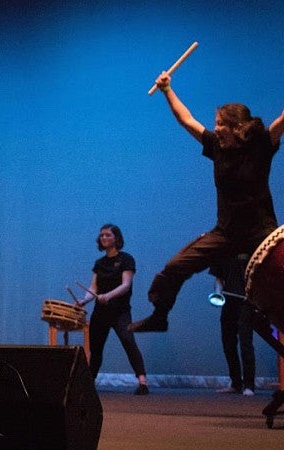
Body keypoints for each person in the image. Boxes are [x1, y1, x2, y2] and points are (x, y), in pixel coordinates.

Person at [129, 70, 284, 333]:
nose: (215, 128)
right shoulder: (217, 147)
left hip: (261, 232)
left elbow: (281, 121)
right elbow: (186, 119)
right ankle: (160, 315)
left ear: (237, 127)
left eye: (220, 123)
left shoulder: (261, 145)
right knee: (175, 267)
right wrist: (167, 90)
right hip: (226, 233)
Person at [78, 224, 149, 395]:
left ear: (116, 238)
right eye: (101, 235)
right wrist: (84, 300)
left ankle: (143, 382)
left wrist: (108, 296)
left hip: (120, 311)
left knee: (128, 341)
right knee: (96, 349)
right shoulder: (99, 263)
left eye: (107, 235)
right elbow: (93, 289)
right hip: (100, 313)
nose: (103, 238)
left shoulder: (126, 259)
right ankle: (89, 384)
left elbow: (126, 285)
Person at [209, 254, 256, 396]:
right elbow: (218, 278)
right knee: (228, 342)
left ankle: (249, 385)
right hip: (228, 302)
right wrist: (218, 294)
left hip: (246, 302)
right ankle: (236, 383)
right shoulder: (222, 250)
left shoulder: (249, 249)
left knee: (245, 342)